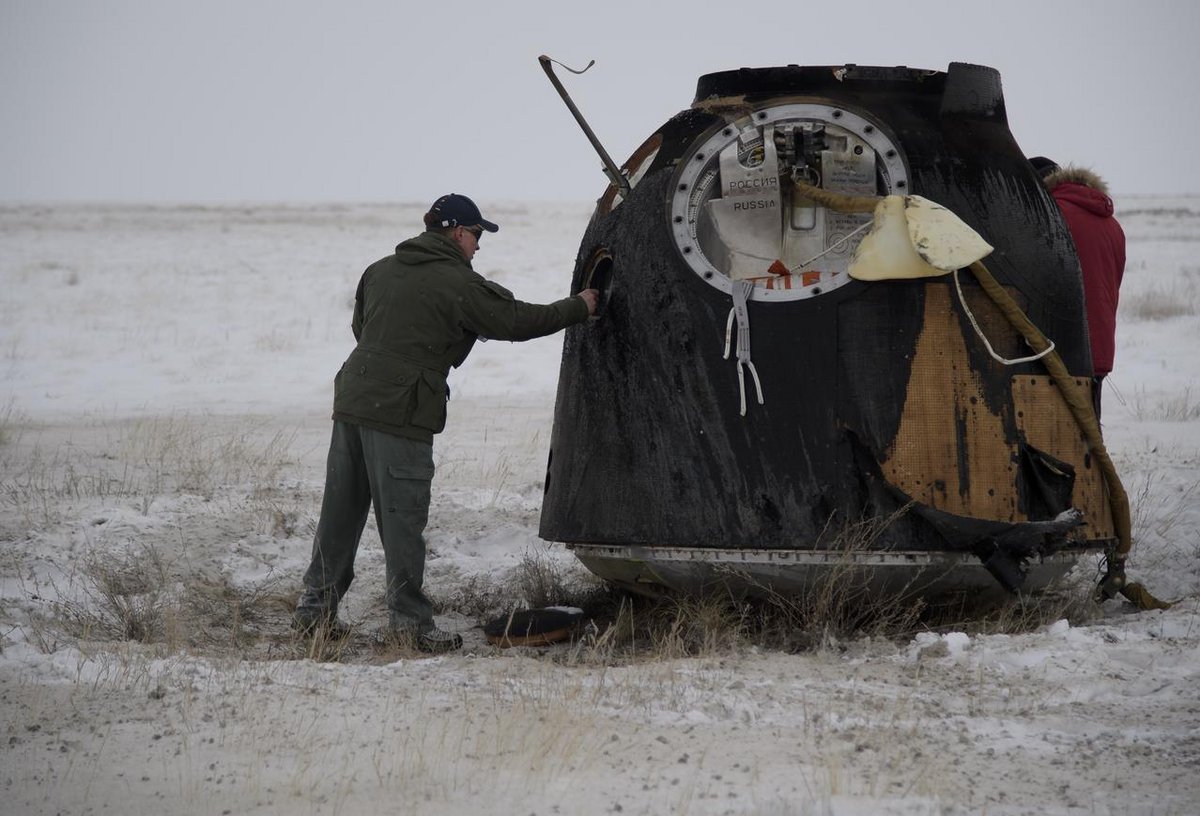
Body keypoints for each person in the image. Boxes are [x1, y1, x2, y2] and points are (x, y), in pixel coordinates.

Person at [294, 193, 599, 652]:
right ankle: (410, 627)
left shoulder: (379, 269)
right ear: (458, 232)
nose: (478, 247)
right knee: (402, 522)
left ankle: (313, 616)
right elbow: (517, 321)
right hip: (400, 409)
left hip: (354, 398)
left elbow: (363, 328)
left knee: (339, 515)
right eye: (476, 236)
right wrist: (581, 306)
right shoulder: (457, 282)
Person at [1030, 157, 1126, 419]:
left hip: (1060, 345)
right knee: (1088, 430)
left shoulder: (1050, 217)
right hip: (1099, 344)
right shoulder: (1112, 225)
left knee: (1053, 435)